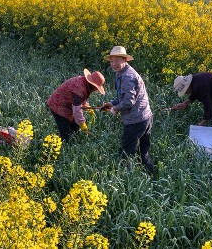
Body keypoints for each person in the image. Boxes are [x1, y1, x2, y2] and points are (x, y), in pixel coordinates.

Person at [100, 46, 154, 175]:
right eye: (111, 61)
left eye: (117, 60)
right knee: (143, 152)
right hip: (145, 117)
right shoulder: (122, 73)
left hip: (136, 121)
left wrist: (116, 109)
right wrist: (112, 103)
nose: (114, 64)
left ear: (124, 59)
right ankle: (151, 175)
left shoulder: (127, 76)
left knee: (126, 153)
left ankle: (125, 181)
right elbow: (123, 96)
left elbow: (129, 101)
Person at [47, 68, 106, 143]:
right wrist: (82, 124)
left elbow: (79, 101)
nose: (96, 90)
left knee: (75, 127)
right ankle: (60, 148)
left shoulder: (83, 82)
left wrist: (88, 107)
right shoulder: (79, 88)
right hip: (57, 105)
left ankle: (74, 143)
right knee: (65, 134)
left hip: (67, 105)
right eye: (96, 88)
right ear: (92, 85)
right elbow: (77, 109)